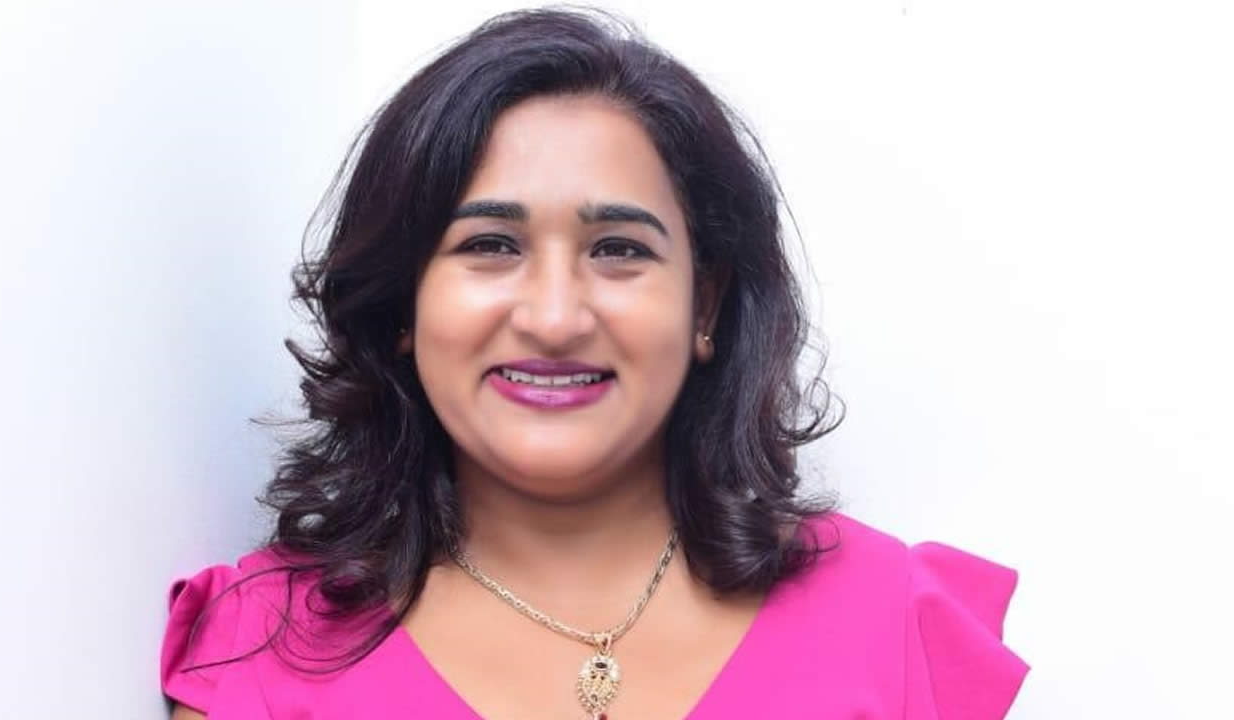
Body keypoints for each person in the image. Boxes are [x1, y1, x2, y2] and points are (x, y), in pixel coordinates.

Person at [160, 7, 1029, 719]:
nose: (554, 318)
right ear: (400, 306)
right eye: (490, 245)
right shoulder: (258, 652)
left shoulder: (896, 622)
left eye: (619, 249)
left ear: (705, 306)